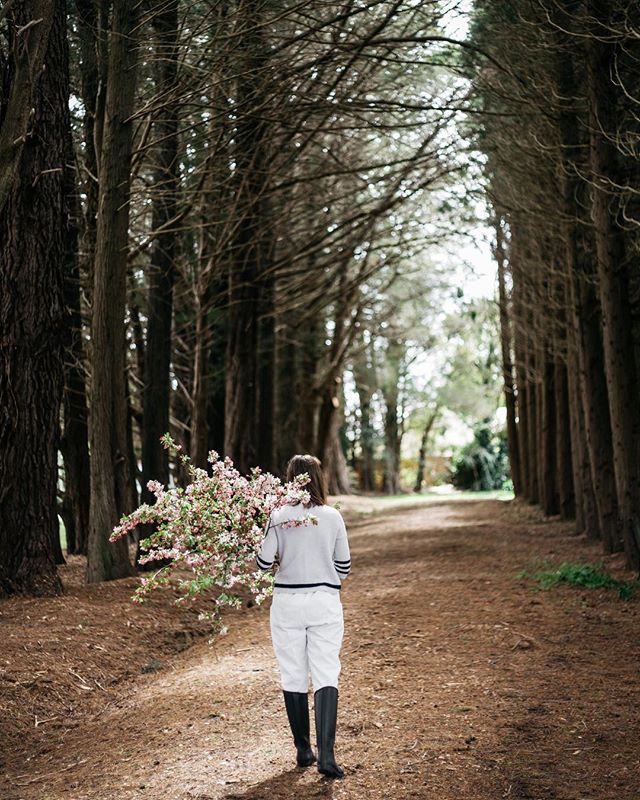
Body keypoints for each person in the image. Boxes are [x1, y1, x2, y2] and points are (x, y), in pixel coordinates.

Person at [256, 454, 351, 779]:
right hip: (324, 600)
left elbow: (263, 564)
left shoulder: (278, 516)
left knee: (293, 672)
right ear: (319, 478)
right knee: (326, 672)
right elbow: (344, 567)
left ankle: (303, 750)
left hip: (287, 602)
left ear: (290, 479)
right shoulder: (332, 516)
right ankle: (327, 755)